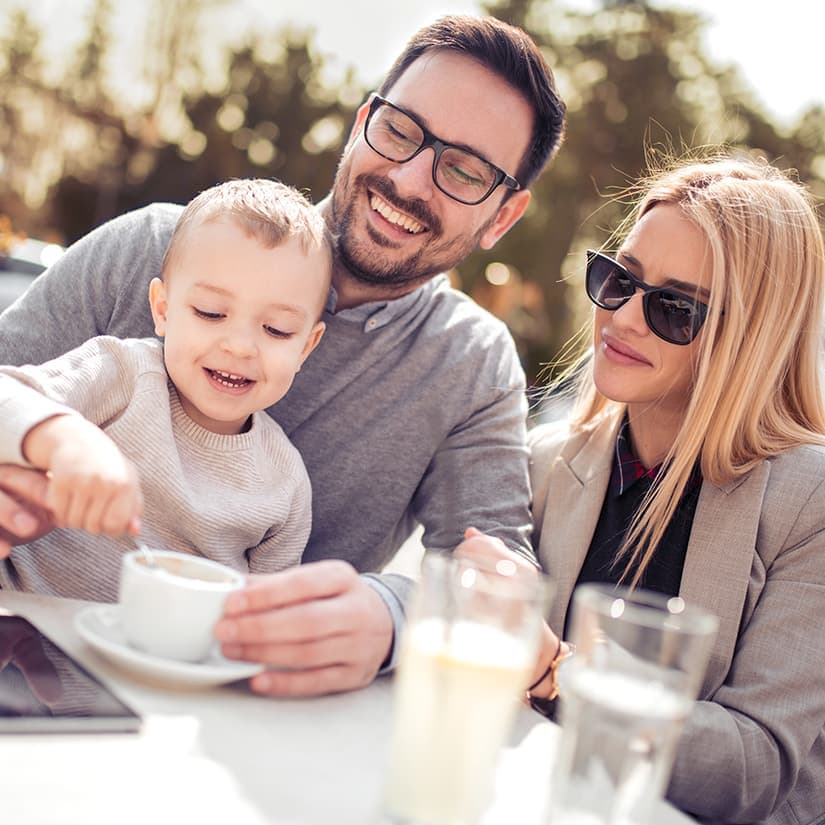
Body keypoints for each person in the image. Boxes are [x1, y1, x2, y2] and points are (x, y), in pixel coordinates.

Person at [0, 15, 567, 695]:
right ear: (362, 121)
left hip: (232, 708)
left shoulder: (471, 365)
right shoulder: (147, 247)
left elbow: (497, 585)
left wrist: (393, 616)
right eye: (400, 130)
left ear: (502, 217)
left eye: (465, 171)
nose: (410, 178)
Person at [515, 156, 825, 824]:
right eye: (617, 279)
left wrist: (561, 674)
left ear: (748, 337)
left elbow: (753, 768)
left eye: (673, 309)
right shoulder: (543, 462)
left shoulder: (810, 503)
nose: (622, 317)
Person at [0, 178, 329, 600]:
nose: (240, 346)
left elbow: (262, 620)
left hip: (149, 664)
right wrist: (67, 439)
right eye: (211, 313)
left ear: (306, 346)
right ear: (163, 310)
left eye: (276, 330)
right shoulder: (121, 372)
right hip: (20, 633)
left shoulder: (286, 485)